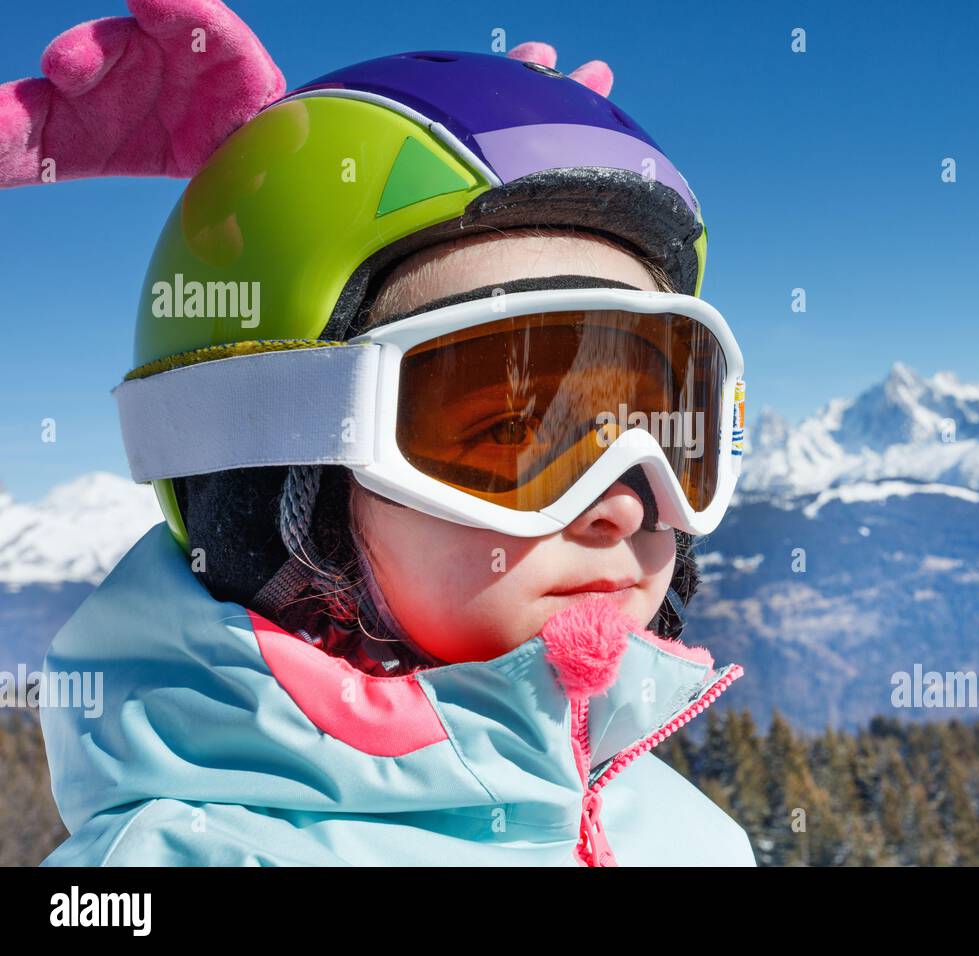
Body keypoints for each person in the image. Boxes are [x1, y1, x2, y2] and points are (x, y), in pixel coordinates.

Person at [5, 0, 752, 865]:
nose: (622, 505)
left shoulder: (683, 830)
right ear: (277, 479)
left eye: (661, 429)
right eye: (512, 428)